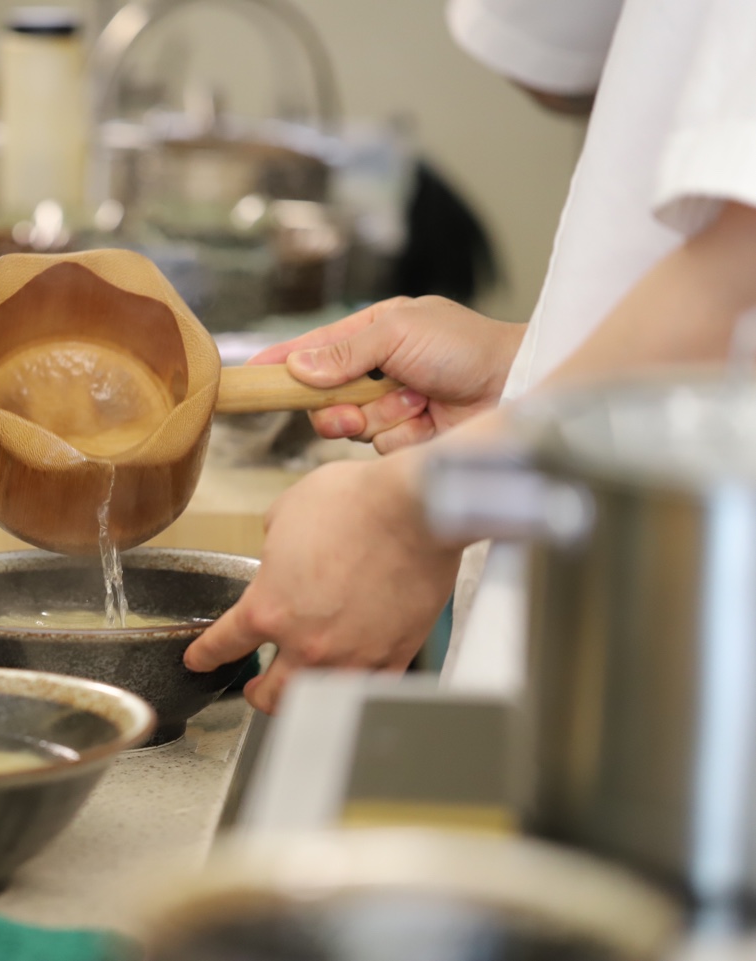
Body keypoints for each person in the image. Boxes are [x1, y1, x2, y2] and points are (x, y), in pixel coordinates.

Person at [184, 0, 756, 712]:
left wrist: (415, 508)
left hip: (687, 679)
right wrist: (524, 369)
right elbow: (550, 60)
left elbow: (734, 289)